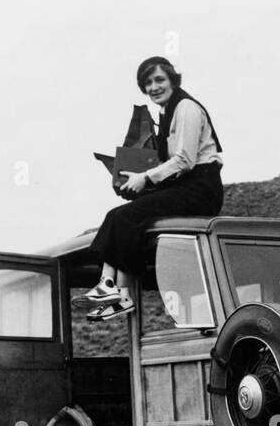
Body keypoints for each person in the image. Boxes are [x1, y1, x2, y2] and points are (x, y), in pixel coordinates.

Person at [83, 56, 224, 318]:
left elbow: (184, 159)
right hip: (185, 185)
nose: (153, 87)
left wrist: (145, 178)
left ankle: (117, 293)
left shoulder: (186, 108)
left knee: (127, 216)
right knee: (120, 215)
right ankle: (111, 288)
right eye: (147, 83)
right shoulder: (167, 111)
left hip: (200, 189)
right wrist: (133, 178)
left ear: (172, 79)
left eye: (159, 79)